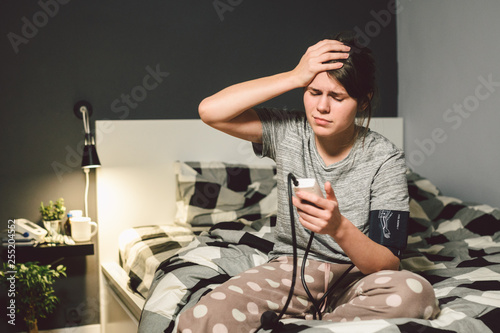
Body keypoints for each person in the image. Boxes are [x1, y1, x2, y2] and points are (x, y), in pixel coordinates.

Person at [177, 33, 440, 333]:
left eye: (337, 97)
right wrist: (294, 76)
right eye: (314, 92)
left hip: (358, 281)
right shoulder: (288, 132)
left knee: (415, 292)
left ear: (363, 102)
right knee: (202, 318)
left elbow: (387, 264)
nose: (321, 107)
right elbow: (210, 111)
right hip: (290, 271)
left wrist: (339, 228)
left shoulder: (385, 158)